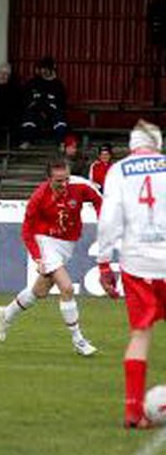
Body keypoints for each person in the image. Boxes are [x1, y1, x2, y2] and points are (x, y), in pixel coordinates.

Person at [97, 120, 166, 429]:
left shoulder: (119, 170)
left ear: (132, 143)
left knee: (140, 335)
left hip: (137, 262)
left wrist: (103, 262)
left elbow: (109, 219)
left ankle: (133, 412)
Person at [0, 158, 102, 356]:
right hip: (46, 241)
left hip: (67, 243)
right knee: (67, 288)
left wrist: (103, 221)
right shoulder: (38, 197)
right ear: (49, 179)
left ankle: (6, 313)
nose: (64, 184)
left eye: (66, 179)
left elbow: (99, 200)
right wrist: (38, 258)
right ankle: (78, 341)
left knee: (39, 292)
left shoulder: (80, 186)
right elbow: (27, 231)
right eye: (59, 181)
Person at [19, 56, 68, 149]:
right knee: (28, 116)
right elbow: (26, 100)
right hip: (36, 112)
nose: (44, 71)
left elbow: (61, 103)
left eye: (47, 68)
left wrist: (49, 108)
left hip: (52, 113)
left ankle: (61, 142)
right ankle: (27, 141)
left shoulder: (57, 84)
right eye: (42, 68)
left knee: (60, 117)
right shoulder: (32, 83)